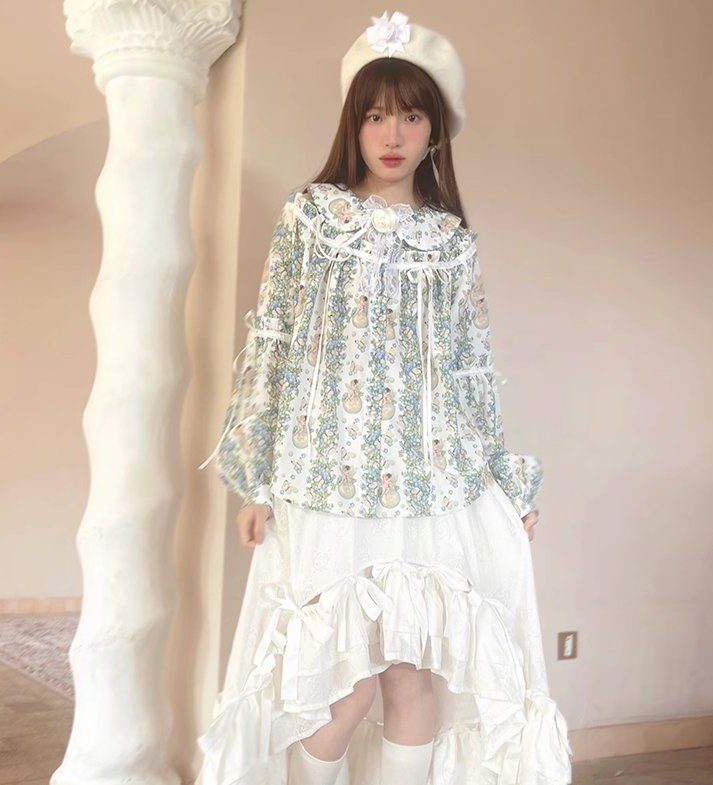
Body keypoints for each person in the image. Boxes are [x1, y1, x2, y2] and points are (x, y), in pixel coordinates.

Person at [195, 10, 573, 785]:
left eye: (409, 115)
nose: (391, 134)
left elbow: (469, 370)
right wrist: (256, 478)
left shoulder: (450, 241)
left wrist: (504, 481)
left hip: (433, 486)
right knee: (340, 686)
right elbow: (273, 342)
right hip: (324, 483)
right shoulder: (309, 218)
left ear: (435, 130)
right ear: (353, 124)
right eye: (374, 115)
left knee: (411, 679)